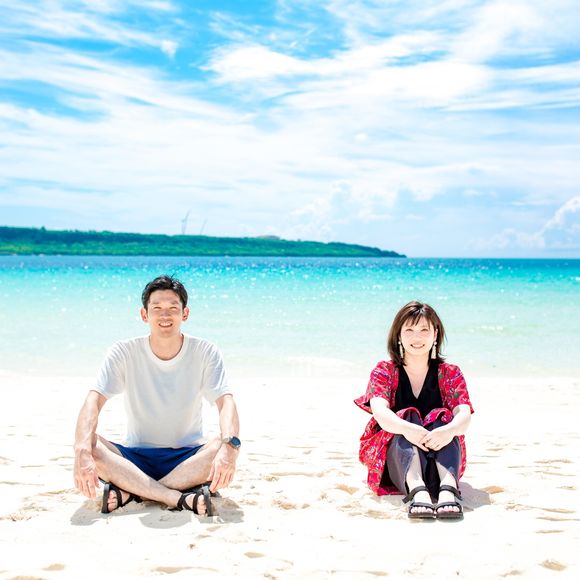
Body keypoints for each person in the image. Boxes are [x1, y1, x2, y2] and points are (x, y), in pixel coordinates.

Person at [74, 275, 241, 516]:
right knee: (89, 443)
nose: (165, 315)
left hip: (188, 457)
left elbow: (226, 402)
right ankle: (175, 496)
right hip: (134, 458)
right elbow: (93, 400)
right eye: (157, 308)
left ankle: (133, 492)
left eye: (173, 308)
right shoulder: (124, 351)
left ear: (185, 314)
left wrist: (230, 448)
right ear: (144, 315)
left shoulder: (205, 351)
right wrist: (81, 451)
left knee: (222, 445)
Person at [354, 301, 473, 520]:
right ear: (398, 335)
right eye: (409, 330)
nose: (416, 337)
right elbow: (380, 413)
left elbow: (464, 415)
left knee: (444, 417)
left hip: (442, 461)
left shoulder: (450, 373)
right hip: (398, 464)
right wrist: (409, 429)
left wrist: (447, 431)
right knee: (406, 415)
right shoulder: (384, 371)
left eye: (424, 330)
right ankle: (418, 491)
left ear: (435, 334)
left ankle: (448, 490)